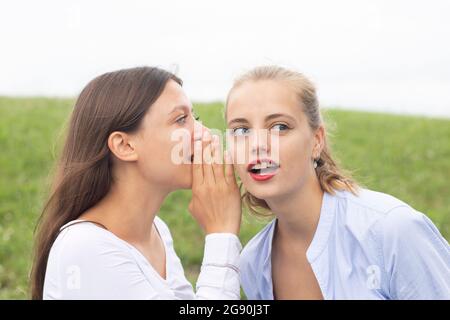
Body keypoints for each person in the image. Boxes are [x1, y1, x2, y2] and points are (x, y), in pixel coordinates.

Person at [225, 65, 450, 299]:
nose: (257, 144)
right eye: (241, 130)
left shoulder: (393, 230)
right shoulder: (253, 263)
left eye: (280, 127)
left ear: (316, 141)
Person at [30, 66, 242, 299]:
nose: (204, 133)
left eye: (195, 117)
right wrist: (221, 235)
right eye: (181, 119)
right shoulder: (86, 248)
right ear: (125, 146)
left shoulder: (156, 230)